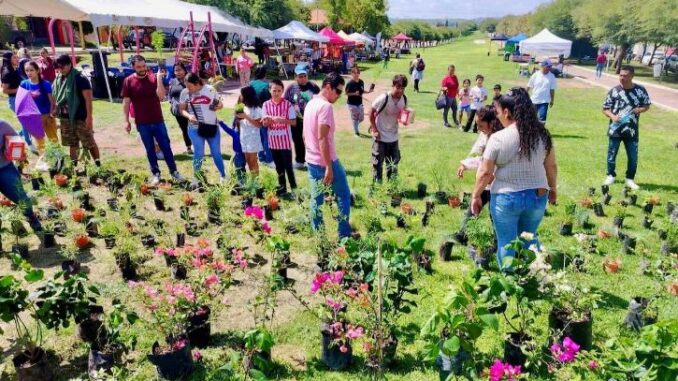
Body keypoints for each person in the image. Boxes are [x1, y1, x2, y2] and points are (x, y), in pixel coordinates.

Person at [471, 87, 557, 270]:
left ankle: (509, 282)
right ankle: (532, 276)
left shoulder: (498, 138)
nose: (497, 116)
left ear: (507, 112)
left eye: (498, 111)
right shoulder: (543, 134)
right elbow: (551, 166)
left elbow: (485, 172)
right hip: (538, 195)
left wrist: (476, 195)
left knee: (506, 242)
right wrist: (553, 188)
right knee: (529, 239)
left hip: (507, 197)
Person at [121, 55, 184, 185]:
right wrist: (126, 120)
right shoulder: (128, 81)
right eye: (138, 67)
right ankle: (156, 174)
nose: (142, 69)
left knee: (166, 147)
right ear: (133, 67)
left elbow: (161, 96)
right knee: (149, 149)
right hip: (142, 123)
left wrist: (159, 78)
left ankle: (174, 172)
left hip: (157, 120)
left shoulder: (153, 78)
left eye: (144, 66)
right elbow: (126, 101)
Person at [303, 72, 351, 239]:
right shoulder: (325, 107)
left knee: (316, 201)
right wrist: (328, 167)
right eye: (338, 91)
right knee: (344, 195)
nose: (339, 96)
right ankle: (344, 235)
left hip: (311, 160)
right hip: (326, 162)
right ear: (328, 87)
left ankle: (320, 239)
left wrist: (311, 155)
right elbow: (322, 137)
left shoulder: (310, 104)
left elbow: (304, 135)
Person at [454, 106, 503, 244]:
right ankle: (463, 235)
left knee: (496, 216)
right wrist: (465, 165)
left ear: (491, 123)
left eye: (481, 125)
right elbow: (480, 158)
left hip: (497, 185)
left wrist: (495, 175)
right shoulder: (484, 136)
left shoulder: (500, 138)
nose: (478, 128)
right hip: (484, 182)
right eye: (477, 125)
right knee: (472, 209)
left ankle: (497, 242)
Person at [602, 65, 650, 190]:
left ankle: (630, 179)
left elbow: (646, 105)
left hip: (632, 130)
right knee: (612, 153)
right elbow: (605, 108)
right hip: (615, 129)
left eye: (625, 76)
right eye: (621, 75)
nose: (622, 78)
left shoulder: (640, 90)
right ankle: (610, 175)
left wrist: (639, 109)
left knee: (633, 156)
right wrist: (612, 116)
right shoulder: (614, 91)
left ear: (632, 76)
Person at [53, 54, 102, 171]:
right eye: (58, 68)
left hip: (80, 117)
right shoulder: (59, 79)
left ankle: (99, 166)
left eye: (62, 67)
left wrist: (89, 117)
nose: (60, 70)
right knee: (72, 143)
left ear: (69, 64)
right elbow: (56, 98)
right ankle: (73, 167)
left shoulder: (80, 79)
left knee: (89, 142)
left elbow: (88, 100)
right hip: (65, 118)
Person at [179, 73, 226, 187]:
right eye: (186, 86)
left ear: (197, 83)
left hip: (211, 127)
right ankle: (196, 177)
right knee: (199, 153)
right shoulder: (185, 93)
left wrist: (218, 106)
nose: (188, 89)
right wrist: (189, 116)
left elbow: (220, 105)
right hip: (195, 129)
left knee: (216, 153)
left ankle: (223, 176)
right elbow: (182, 109)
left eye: (190, 86)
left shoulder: (210, 90)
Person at [0, 119, 42, 233]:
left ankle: (31, 217)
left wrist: (15, 152)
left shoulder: (2, 125)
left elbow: (16, 141)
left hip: (4, 168)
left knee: (21, 197)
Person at [369, 74, 408, 183]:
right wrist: (375, 129)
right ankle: (378, 188)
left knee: (393, 165)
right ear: (393, 86)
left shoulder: (404, 99)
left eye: (403, 88)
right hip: (380, 138)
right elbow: (370, 113)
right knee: (378, 165)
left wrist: (404, 120)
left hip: (394, 138)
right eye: (398, 87)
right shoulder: (384, 98)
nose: (400, 90)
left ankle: (391, 188)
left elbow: (402, 115)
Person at [262, 79, 297, 196]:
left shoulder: (287, 105)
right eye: (274, 90)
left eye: (279, 91)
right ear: (269, 91)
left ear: (282, 91)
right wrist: (267, 121)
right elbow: (264, 124)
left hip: (285, 142)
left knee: (288, 167)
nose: (276, 93)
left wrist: (282, 120)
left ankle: (294, 190)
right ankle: (282, 188)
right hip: (273, 142)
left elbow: (294, 122)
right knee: (279, 167)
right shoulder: (266, 105)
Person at [20, 61, 58, 162]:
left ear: (38, 70)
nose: (29, 73)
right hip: (34, 117)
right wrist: (28, 95)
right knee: (39, 141)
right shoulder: (24, 84)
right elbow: (20, 102)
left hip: (46, 115)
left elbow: (52, 102)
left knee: (53, 139)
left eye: (31, 70)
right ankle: (44, 160)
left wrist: (51, 115)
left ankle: (58, 159)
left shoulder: (45, 84)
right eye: (26, 70)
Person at [284, 65, 320, 169]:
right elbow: (285, 102)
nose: (303, 78)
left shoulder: (313, 87)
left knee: (311, 140)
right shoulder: (291, 88)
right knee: (298, 140)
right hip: (296, 121)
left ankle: (313, 161)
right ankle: (300, 161)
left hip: (311, 120)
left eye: (304, 76)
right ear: (295, 77)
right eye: (300, 76)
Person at [236, 86, 263, 176]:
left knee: (253, 161)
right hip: (244, 138)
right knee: (248, 161)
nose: (240, 96)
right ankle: (253, 182)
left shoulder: (257, 109)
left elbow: (259, 125)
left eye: (241, 94)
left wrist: (246, 117)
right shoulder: (243, 107)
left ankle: (256, 184)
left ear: (247, 95)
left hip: (253, 138)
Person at [249, 65, 273, 168]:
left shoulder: (250, 84)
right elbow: (270, 101)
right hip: (264, 113)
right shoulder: (267, 85)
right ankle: (268, 158)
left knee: (257, 136)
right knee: (266, 137)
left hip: (252, 113)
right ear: (265, 74)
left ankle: (261, 157)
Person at [167, 63, 192, 154]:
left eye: (180, 70)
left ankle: (198, 146)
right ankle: (188, 147)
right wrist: (171, 102)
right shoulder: (172, 81)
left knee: (194, 128)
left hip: (191, 109)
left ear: (184, 70)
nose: (178, 72)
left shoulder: (190, 80)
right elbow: (170, 94)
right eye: (176, 70)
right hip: (178, 111)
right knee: (184, 129)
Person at [346, 66, 373, 136]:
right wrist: (354, 93)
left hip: (359, 103)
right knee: (355, 117)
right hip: (351, 104)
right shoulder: (350, 83)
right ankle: (356, 131)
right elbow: (346, 93)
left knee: (361, 118)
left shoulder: (361, 82)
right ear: (352, 74)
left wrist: (369, 91)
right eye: (354, 73)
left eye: (358, 73)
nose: (356, 74)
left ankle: (355, 124)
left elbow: (362, 91)